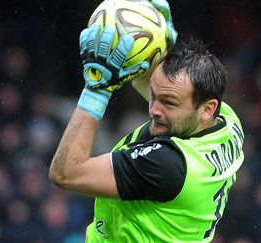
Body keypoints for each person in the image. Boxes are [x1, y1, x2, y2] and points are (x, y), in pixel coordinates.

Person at [48, 0, 245, 242]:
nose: (153, 110)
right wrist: (157, 44)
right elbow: (159, 85)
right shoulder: (228, 120)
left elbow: (66, 174)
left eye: (169, 103)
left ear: (207, 108)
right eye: (155, 96)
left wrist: (96, 89)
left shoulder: (167, 165)